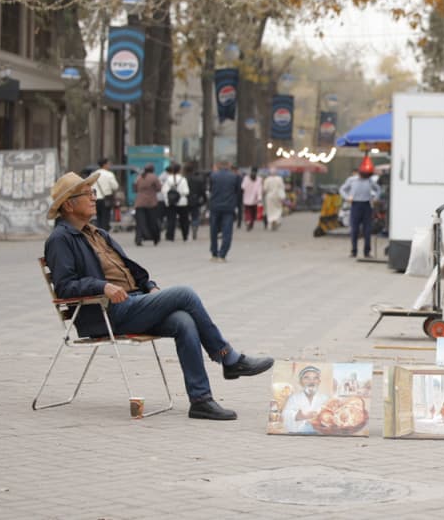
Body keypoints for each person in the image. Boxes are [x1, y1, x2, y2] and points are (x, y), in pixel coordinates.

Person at [43, 172, 274, 420]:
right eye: (87, 194)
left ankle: (201, 400)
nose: (93, 198)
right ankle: (229, 359)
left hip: (132, 302)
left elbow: (130, 270)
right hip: (106, 312)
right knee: (185, 293)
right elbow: (65, 286)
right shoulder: (61, 239)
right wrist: (102, 286)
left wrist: (150, 286)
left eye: (93, 192)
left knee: (184, 321)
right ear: (68, 204)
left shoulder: (97, 233)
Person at [339, 157, 380, 258]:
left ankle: (367, 251)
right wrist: (347, 197)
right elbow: (342, 189)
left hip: (367, 205)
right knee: (354, 229)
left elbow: (378, 189)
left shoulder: (370, 180)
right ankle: (354, 251)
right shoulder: (352, 180)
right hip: (355, 205)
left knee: (367, 230)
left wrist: (375, 198)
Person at [208, 160, 241, 262]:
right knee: (227, 231)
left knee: (213, 230)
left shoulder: (213, 176)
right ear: (229, 166)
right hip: (228, 207)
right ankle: (222, 254)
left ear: (218, 166)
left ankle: (214, 253)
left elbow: (210, 190)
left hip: (215, 206)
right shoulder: (235, 177)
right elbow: (238, 191)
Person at [281, 365, 329, 434]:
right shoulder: (294, 398)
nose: (311, 381)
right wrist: (299, 416)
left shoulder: (325, 398)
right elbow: (285, 414)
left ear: (319, 382)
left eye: (315, 378)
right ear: (301, 382)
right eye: (307, 378)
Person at [160, 162, 190, 242]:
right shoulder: (183, 179)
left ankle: (170, 236)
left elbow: (163, 191)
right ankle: (185, 235)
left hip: (170, 202)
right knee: (184, 220)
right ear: (180, 170)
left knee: (171, 219)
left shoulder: (168, 179)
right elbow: (186, 191)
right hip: (182, 202)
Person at [133, 164, 161, 246]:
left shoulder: (139, 177)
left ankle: (138, 239)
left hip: (139, 202)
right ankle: (155, 238)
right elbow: (159, 188)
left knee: (140, 222)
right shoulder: (154, 177)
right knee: (152, 221)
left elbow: (134, 188)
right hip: (151, 202)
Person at [92, 157, 120, 231]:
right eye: (108, 164)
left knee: (98, 217)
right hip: (105, 199)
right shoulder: (109, 174)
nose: (109, 165)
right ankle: (104, 234)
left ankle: (98, 233)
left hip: (96, 199)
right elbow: (115, 186)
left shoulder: (94, 174)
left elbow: (90, 187)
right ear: (104, 165)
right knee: (105, 218)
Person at [184, 162, 207, 240]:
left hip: (185, 200)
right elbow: (202, 190)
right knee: (195, 215)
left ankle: (186, 231)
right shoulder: (198, 179)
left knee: (185, 216)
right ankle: (194, 227)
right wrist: (204, 199)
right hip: (195, 199)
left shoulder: (184, 179)